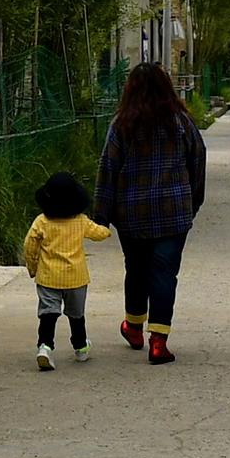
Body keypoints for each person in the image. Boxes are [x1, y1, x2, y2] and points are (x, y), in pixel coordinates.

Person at [93, 62, 207, 365]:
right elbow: (198, 160)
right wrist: (193, 201)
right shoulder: (181, 121)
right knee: (164, 273)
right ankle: (159, 342)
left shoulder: (121, 124)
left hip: (131, 214)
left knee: (137, 269)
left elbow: (108, 167)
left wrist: (101, 214)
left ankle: (133, 326)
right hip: (173, 213)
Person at [22, 171, 112, 371]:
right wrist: (106, 227)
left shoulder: (41, 221)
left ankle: (45, 347)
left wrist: (32, 267)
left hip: (48, 277)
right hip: (76, 278)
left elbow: (29, 245)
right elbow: (99, 234)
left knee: (48, 314)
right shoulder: (80, 221)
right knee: (76, 315)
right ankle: (80, 347)